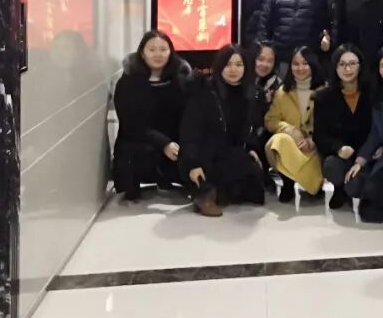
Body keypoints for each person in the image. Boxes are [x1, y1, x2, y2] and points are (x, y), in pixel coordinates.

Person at [324, 45, 383, 222]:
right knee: (355, 185)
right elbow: (375, 134)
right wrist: (360, 161)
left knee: (381, 186)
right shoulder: (379, 97)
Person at [179, 44, 267, 217]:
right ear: (219, 66)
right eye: (228, 64)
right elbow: (190, 130)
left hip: (233, 152)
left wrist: (252, 147)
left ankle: (219, 190)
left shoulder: (252, 93)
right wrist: (192, 164)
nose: (233, 70)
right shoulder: (205, 90)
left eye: (239, 64)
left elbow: (255, 126)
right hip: (205, 153)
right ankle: (204, 192)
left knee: (255, 194)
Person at [112, 30, 193, 201]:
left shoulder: (181, 79)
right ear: (142, 53)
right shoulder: (128, 82)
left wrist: (179, 142)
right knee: (135, 152)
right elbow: (131, 124)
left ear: (170, 52)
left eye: (163, 49)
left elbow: (189, 116)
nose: (158, 54)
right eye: (152, 49)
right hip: (138, 140)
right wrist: (163, 143)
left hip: (174, 140)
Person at [264, 46, 327, 203]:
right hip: (292, 146)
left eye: (305, 63)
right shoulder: (282, 92)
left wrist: (312, 140)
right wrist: (289, 129)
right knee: (278, 141)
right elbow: (270, 120)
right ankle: (287, 182)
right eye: (295, 64)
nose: (300, 68)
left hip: (316, 148)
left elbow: (331, 124)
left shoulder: (326, 91)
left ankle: (314, 183)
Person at [315, 44, 374, 210]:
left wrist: (365, 154)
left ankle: (357, 188)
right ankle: (339, 188)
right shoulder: (323, 97)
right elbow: (320, 135)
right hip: (340, 156)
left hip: (366, 155)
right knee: (331, 166)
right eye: (342, 64)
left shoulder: (372, 93)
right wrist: (338, 148)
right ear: (335, 67)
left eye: (352, 63)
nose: (347, 69)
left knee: (355, 186)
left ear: (360, 66)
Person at [250, 40, 283, 191]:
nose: (264, 64)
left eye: (270, 61)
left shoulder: (278, 85)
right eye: (261, 59)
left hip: (265, 131)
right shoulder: (241, 77)